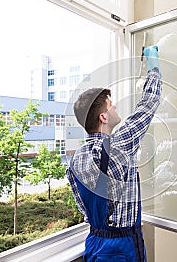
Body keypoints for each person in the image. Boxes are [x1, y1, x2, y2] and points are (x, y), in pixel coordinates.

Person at [66, 46, 161, 262]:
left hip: (94, 243)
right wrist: (153, 65)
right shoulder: (118, 145)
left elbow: (84, 206)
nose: (115, 107)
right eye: (111, 105)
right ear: (103, 117)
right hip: (122, 248)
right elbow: (149, 103)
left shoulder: (75, 159)